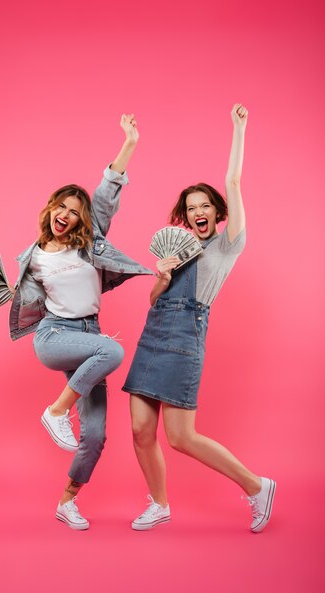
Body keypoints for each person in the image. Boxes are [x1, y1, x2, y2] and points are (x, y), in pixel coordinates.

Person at [122, 104, 276, 533]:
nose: (198, 212)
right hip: (152, 337)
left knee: (180, 437)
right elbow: (154, 300)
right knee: (139, 430)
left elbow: (234, 180)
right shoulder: (180, 248)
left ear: (217, 210)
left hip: (185, 339)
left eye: (205, 205)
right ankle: (159, 504)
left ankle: (257, 486)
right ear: (184, 216)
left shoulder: (227, 247)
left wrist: (238, 129)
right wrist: (162, 275)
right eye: (191, 208)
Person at [6, 115, 153, 529]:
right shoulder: (32, 258)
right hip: (55, 336)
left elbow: (106, 194)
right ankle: (55, 412)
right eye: (61, 207)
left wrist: (130, 142)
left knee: (95, 434)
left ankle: (67, 501)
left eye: (74, 211)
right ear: (51, 208)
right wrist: (2, 290)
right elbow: (24, 298)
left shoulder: (90, 242)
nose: (66, 215)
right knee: (114, 349)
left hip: (89, 336)